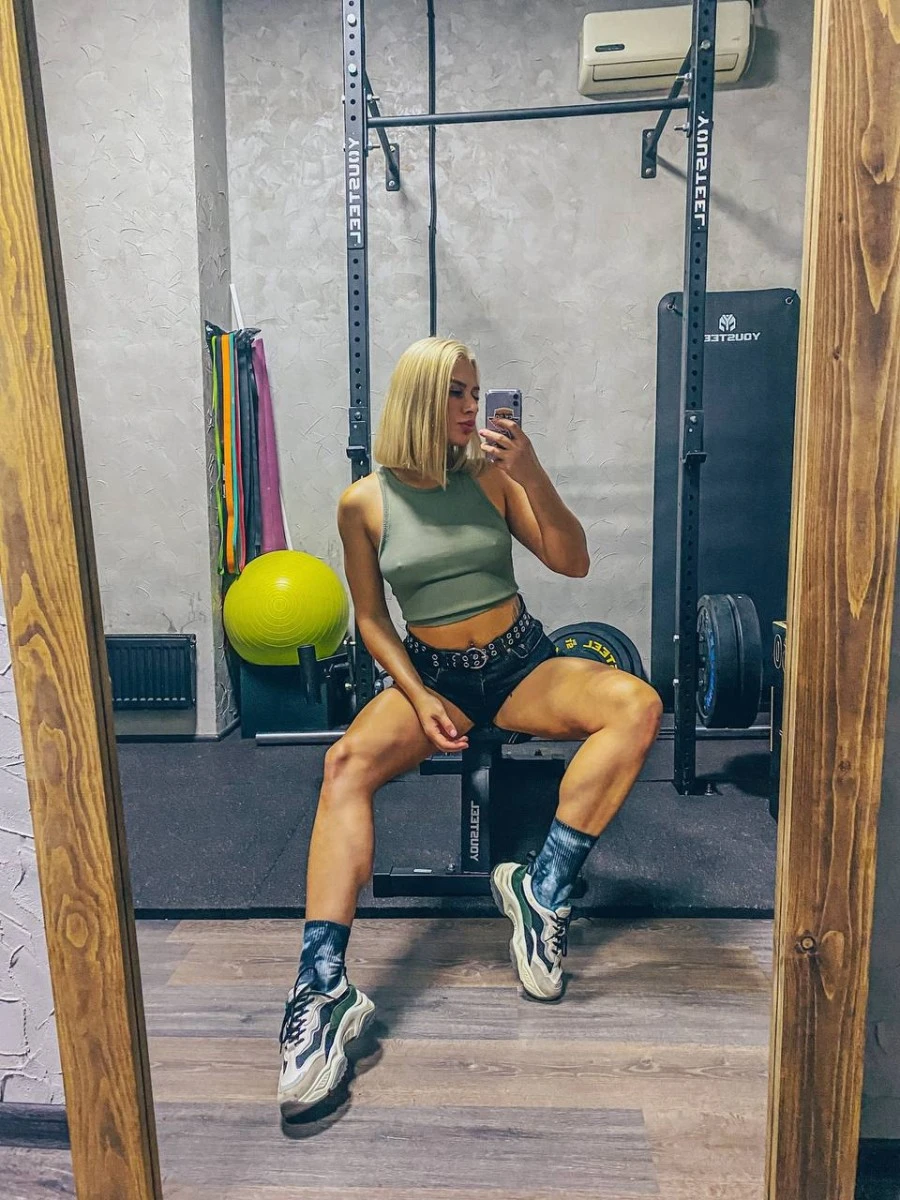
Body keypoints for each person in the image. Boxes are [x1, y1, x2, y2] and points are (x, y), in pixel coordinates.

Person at [277, 336, 663, 1117]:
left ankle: (542, 888)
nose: (471, 407)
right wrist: (416, 694)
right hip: (434, 680)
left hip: (521, 665)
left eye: (476, 392)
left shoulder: (491, 475)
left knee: (638, 705)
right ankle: (321, 987)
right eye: (456, 391)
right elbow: (370, 618)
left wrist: (531, 471)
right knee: (346, 763)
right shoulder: (364, 503)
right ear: (419, 398)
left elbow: (574, 561)